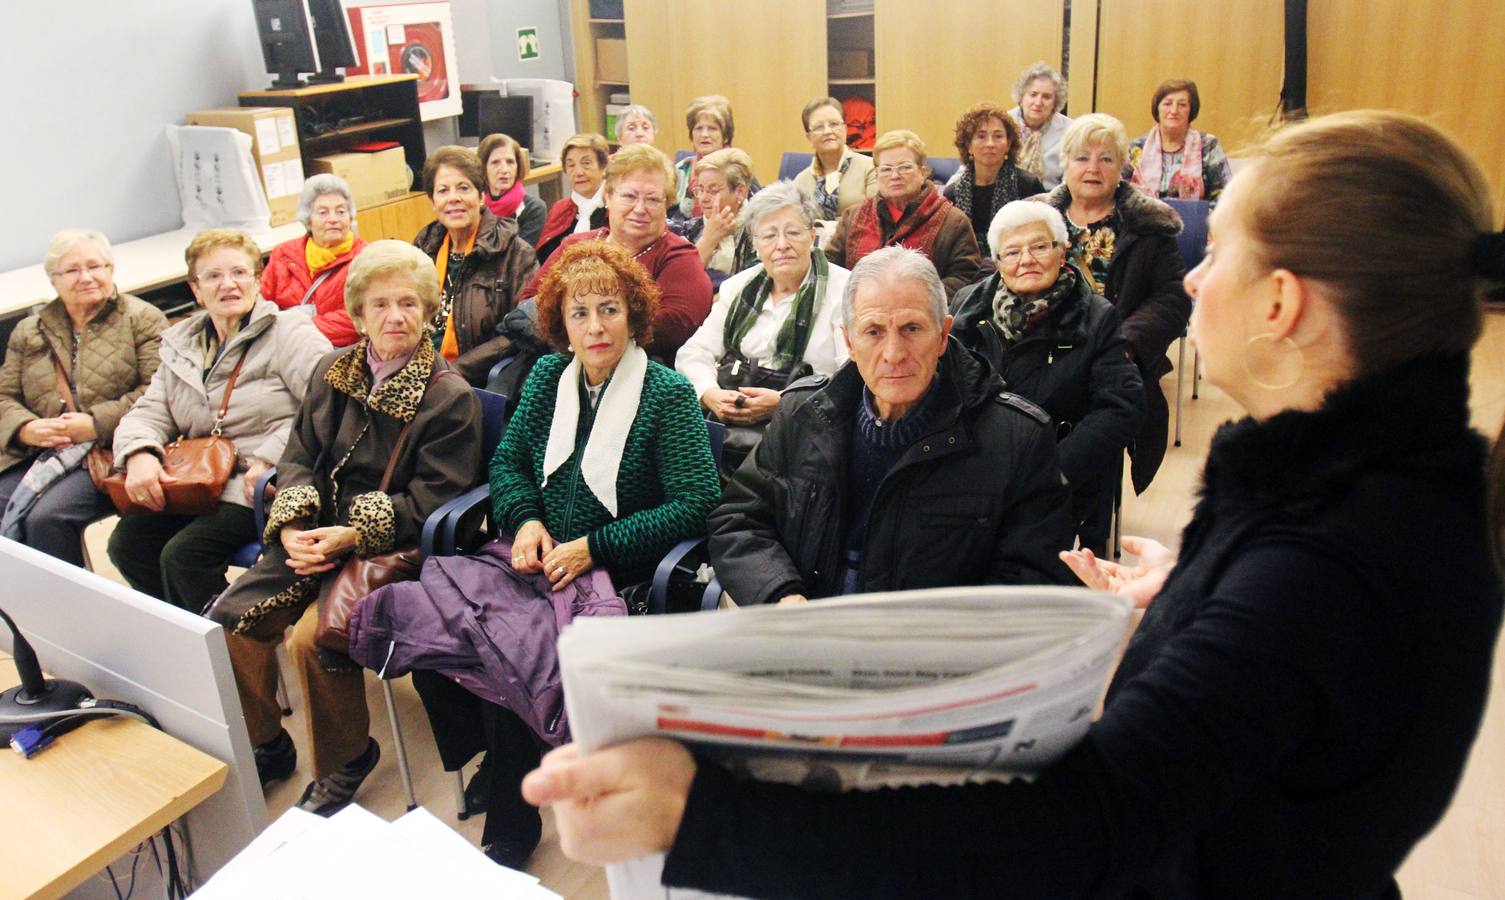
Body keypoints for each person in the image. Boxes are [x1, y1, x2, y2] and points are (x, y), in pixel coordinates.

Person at [520, 109, 1505, 900]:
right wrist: (1198, 593)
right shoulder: (1347, 507)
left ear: (1280, 303)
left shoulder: (1320, 565)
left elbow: (1080, 828)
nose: (1195, 275)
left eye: (1222, 256)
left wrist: (702, 821)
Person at [411, 239, 721, 866]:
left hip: (619, 575)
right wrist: (524, 521)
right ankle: (506, 757)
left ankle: (511, 813)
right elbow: (510, 461)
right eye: (579, 314)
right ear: (562, 325)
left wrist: (593, 547)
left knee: (514, 649)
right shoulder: (550, 376)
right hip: (537, 557)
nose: (595, 326)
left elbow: (697, 502)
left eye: (609, 309)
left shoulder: (667, 393)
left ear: (633, 313)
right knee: (428, 627)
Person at [205, 240, 481, 815]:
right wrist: (291, 527)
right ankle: (268, 743)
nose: (395, 317)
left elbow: (436, 498)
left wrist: (351, 535)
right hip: (314, 531)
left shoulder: (448, 396)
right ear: (358, 315)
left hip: (389, 545)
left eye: (409, 303)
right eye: (379, 305)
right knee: (230, 619)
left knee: (313, 639)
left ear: (429, 313)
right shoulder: (335, 369)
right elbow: (299, 454)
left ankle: (347, 757)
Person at [706, 246, 1072, 605]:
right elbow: (740, 519)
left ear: (943, 335)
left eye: (912, 328)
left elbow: (1027, 585)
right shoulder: (803, 414)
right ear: (848, 341)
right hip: (804, 639)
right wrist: (781, 594)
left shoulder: (1017, 439)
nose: (894, 353)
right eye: (873, 332)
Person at [107, 229, 331, 612]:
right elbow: (148, 411)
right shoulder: (182, 344)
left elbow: (328, 403)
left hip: (257, 485)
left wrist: (272, 455)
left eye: (240, 273)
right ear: (195, 289)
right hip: (194, 482)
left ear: (257, 281)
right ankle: (183, 631)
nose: (228, 284)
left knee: (183, 556)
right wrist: (139, 453)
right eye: (213, 276)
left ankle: (224, 652)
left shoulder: (289, 333)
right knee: (126, 545)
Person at [951, 201, 1143, 553]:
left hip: (1058, 476)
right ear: (996, 260)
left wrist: (1050, 472)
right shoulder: (967, 307)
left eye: (1039, 246)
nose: (1026, 260)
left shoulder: (1097, 318)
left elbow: (1120, 407)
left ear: (1061, 250)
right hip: (974, 472)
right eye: (1012, 251)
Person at [1041, 112, 1190, 494]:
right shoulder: (1034, 219)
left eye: (1106, 158)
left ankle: (1078, 512)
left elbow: (1173, 298)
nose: (1093, 168)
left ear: (1121, 167)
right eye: (1081, 158)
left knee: (1098, 418)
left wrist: (1121, 343)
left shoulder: (1148, 226)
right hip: (1040, 352)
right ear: (1064, 164)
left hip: (1115, 358)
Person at [0, 229, 167, 565]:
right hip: (41, 449)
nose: (87, 277)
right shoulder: (31, 330)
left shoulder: (142, 320)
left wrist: (93, 424)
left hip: (110, 449)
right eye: (73, 270)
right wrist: (25, 428)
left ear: (111, 269)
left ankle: (71, 609)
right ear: (53, 280)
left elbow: (158, 393)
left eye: (96, 266)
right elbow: (4, 396)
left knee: (47, 519)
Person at [675, 181, 851, 472]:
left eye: (793, 233)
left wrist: (785, 403)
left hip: (809, 430)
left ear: (812, 235)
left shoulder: (844, 289)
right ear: (755, 244)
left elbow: (852, 375)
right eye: (769, 236)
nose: (782, 245)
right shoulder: (738, 288)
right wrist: (710, 393)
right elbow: (694, 353)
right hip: (730, 427)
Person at [521, 144, 714, 363]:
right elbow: (529, 302)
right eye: (630, 196)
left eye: (652, 199)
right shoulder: (575, 246)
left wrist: (574, 322)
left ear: (666, 204)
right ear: (608, 197)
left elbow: (673, 327)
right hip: (555, 362)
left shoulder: (679, 257)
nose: (640, 208)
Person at [412, 145, 539, 385]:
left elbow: (521, 331)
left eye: (463, 188)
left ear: (481, 196)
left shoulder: (516, 252)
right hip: (420, 370)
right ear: (433, 201)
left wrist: (454, 371)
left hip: (474, 378)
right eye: (443, 190)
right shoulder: (424, 247)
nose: (454, 198)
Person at [825, 130, 985, 300]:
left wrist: (915, 300)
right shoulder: (853, 216)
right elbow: (829, 268)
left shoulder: (952, 221)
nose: (895, 176)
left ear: (922, 172)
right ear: (877, 174)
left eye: (905, 167)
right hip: (860, 314)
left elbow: (965, 277)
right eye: (886, 169)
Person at [259, 175, 367, 347]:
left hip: (339, 354)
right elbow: (260, 305)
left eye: (341, 211)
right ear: (308, 221)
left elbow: (360, 318)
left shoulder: (366, 258)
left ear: (350, 218)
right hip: (285, 349)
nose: (333, 219)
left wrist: (296, 327)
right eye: (323, 212)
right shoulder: (284, 254)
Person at [942, 101, 1045, 254]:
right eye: (981, 136)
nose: (990, 144)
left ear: (1008, 144)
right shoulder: (952, 193)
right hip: (967, 265)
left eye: (998, 136)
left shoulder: (1027, 185)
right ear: (969, 145)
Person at [1125, 78, 1234, 205]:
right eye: (1167, 104)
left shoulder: (1208, 145)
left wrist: (1205, 216)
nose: (1174, 111)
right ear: (1157, 108)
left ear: (1191, 110)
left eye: (1182, 105)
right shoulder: (1137, 147)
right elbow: (1119, 194)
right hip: (1144, 221)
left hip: (1195, 222)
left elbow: (1226, 195)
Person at [669, 147, 758, 287]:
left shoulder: (759, 233)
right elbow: (679, 285)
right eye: (700, 190)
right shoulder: (688, 230)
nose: (703, 198)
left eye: (713, 191)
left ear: (740, 192)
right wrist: (708, 239)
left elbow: (753, 288)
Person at [791, 96, 875, 241]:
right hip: (814, 252)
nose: (827, 131)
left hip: (859, 245)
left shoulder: (870, 168)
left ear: (845, 129)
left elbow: (876, 219)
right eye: (819, 127)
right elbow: (796, 225)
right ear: (808, 137)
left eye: (834, 124)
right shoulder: (801, 181)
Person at [533, 133, 610, 264]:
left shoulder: (615, 207)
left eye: (586, 163)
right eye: (571, 165)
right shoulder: (560, 208)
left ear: (603, 167)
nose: (579, 172)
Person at [1010, 61, 1074, 190]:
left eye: (1046, 97)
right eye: (1033, 94)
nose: (1038, 102)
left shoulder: (1072, 131)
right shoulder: (1003, 123)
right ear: (1021, 97)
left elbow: (1070, 182)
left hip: (1051, 201)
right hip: (1005, 199)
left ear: (1055, 102)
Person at [672, 94, 735, 224]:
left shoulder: (738, 169)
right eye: (698, 128)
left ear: (725, 136)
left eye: (712, 129)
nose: (704, 134)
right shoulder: (681, 170)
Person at [478, 132, 547, 246]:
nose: (504, 170)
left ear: (518, 166)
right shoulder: (475, 206)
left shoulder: (533, 208)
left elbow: (522, 257)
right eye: (495, 162)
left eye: (510, 162)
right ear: (483, 168)